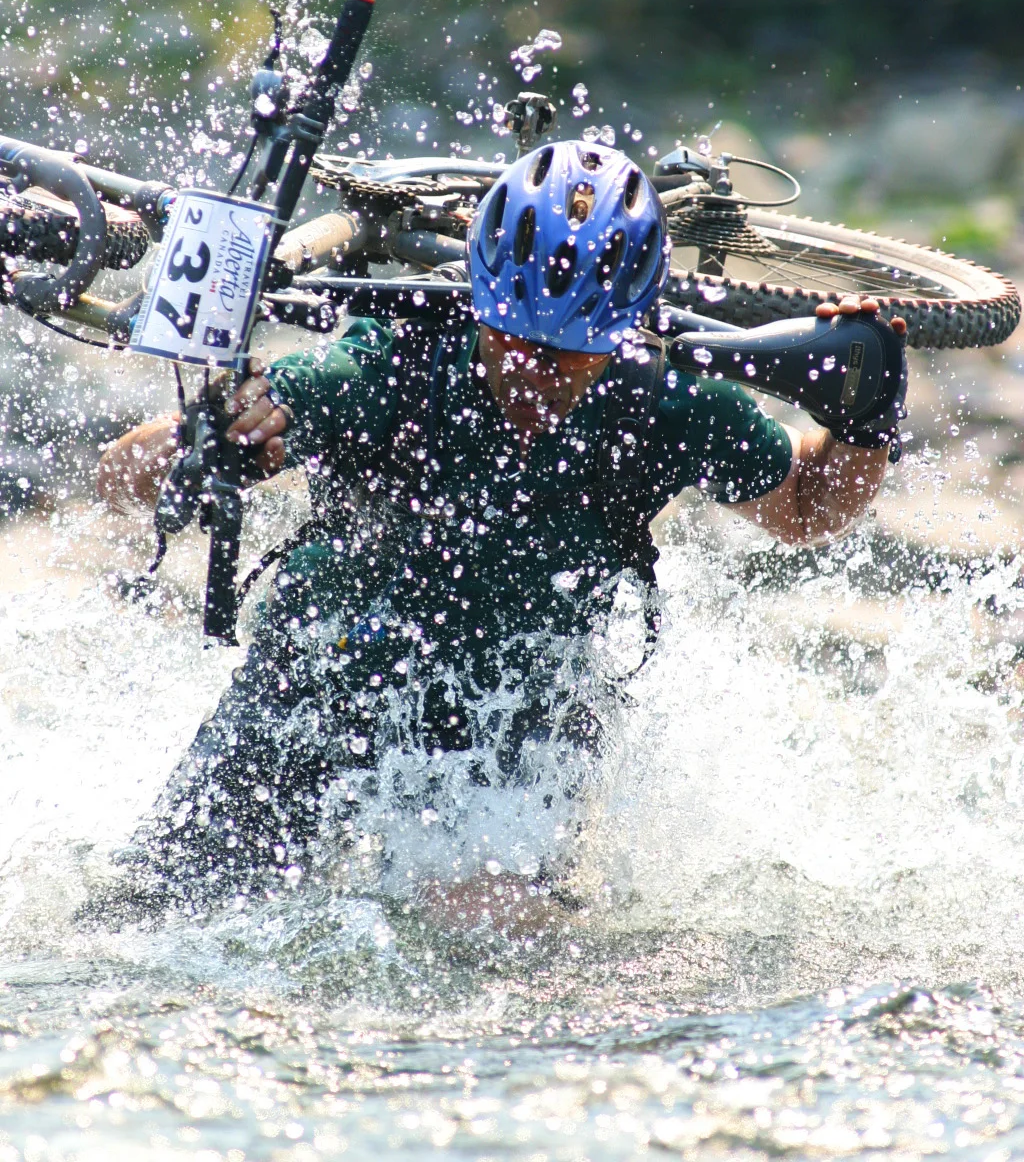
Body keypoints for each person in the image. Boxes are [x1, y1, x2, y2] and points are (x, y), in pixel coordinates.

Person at [95, 139, 907, 925]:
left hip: (516, 725)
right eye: (511, 338)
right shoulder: (392, 362)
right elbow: (119, 476)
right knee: (153, 919)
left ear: (622, 332)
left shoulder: (665, 399)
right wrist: (208, 441)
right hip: (315, 690)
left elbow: (807, 508)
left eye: (566, 355)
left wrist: (866, 421)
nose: (530, 373)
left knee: (491, 933)